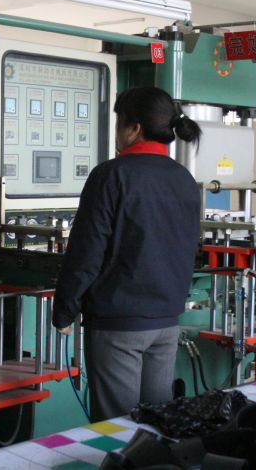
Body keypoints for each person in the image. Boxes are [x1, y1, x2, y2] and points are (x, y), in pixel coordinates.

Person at [52, 86, 201, 422]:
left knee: (116, 428)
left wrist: (64, 311)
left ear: (134, 128)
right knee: (157, 424)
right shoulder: (184, 179)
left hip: (118, 325)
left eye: (119, 123)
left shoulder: (111, 175)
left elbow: (86, 252)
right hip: (166, 323)